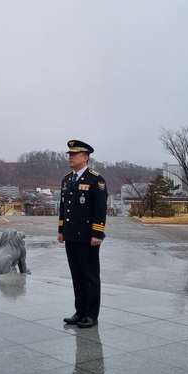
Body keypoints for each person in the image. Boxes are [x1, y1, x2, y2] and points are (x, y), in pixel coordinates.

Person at [57, 139, 107, 328]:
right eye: (69, 154)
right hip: (71, 236)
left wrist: (97, 234)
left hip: (88, 237)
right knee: (77, 275)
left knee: (90, 276)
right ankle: (80, 311)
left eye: (74, 154)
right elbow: (64, 208)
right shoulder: (67, 179)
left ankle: (91, 315)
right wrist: (61, 230)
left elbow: (100, 209)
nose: (70, 157)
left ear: (85, 158)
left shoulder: (96, 180)